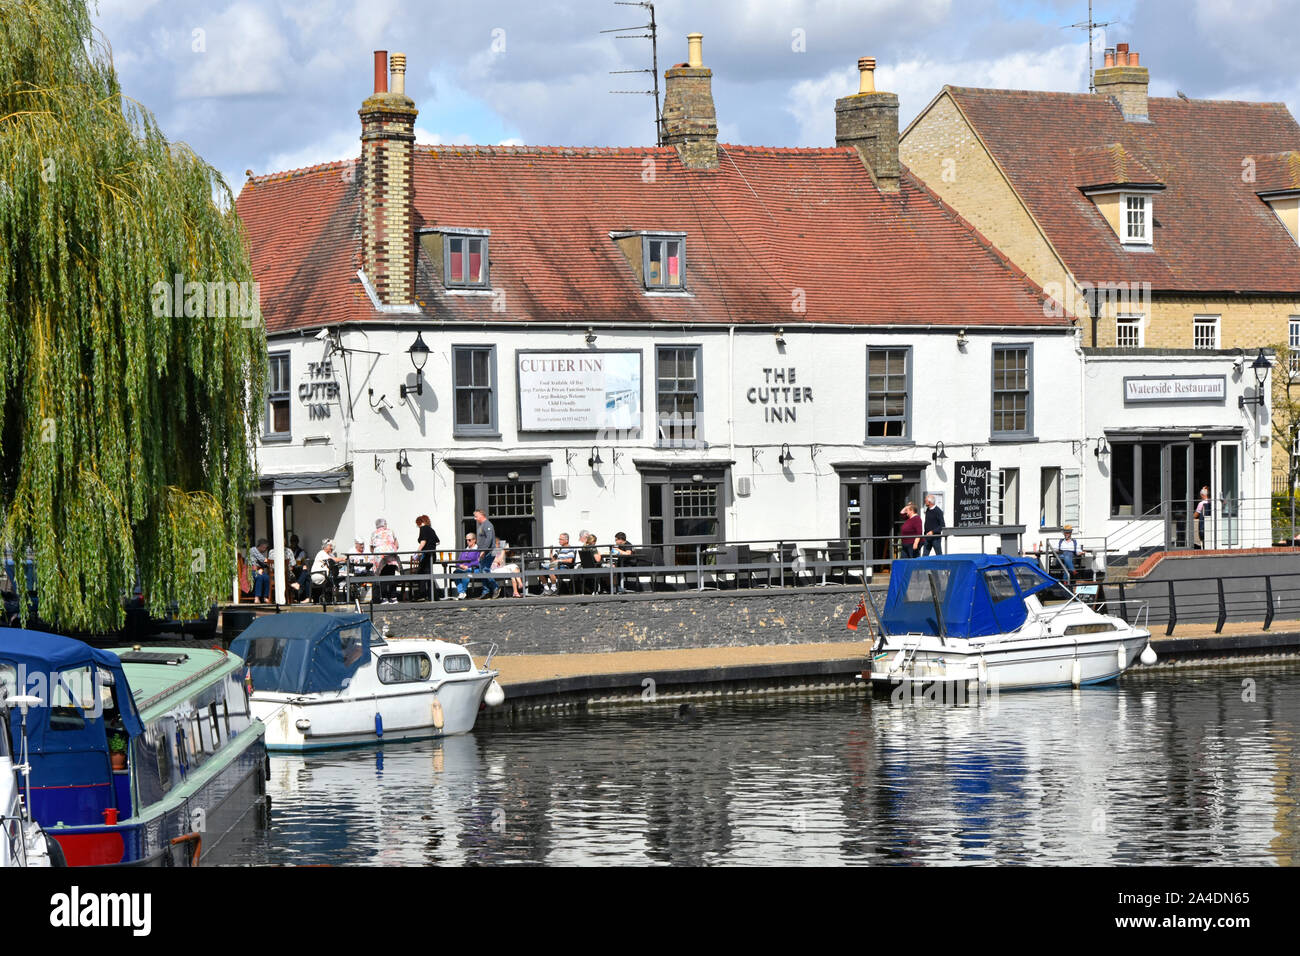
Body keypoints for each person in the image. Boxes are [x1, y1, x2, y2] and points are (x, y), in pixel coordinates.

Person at [299, 539, 343, 604]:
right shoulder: (321, 553)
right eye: (330, 546)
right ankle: (333, 598)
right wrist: (343, 559)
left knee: (338, 578)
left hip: (325, 575)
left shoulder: (330, 554)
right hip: (318, 575)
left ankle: (333, 597)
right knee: (334, 579)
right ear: (325, 546)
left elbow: (334, 562)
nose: (331, 547)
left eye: (332, 546)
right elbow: (333, 560)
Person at [370, 518, 401, 604]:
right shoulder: (391, 531)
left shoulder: (374, 533)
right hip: (390, 555)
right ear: (384, 524)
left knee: (382, 577)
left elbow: (371, 548)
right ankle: (393, 597)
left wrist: (376, 554)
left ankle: (384, 598)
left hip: (380, 558)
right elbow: (397, 545)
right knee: (391, 575)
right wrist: (392, 549)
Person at [413, 515, 441, 601]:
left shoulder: (423, 528)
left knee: (421, 574)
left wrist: (417, 552)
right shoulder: (431, 529)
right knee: (428, 575)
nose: (417, 526)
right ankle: (433, 596)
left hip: (426, 555)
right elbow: (438, 541)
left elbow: (423, 541)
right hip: (432, 555)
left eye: (417, 524)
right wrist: (430, 546)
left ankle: (422, 595)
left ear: (420, 522)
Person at [472, 509, 499, 599]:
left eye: (476, 516)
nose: (475, 518)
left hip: (489, 552)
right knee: (481, 571)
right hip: (483, 552)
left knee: (485, 570)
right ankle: (486, 591)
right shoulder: (482, 525)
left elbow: (489, 539)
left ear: (481, 515)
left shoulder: (488, 525)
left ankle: (495, 587)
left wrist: (483, 551)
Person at [454, 533, 482, 599]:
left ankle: (463, 592)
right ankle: (461, 592)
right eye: (466, 540)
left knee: (466, 573)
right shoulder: (465, 550)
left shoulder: (478, 550)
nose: (467, 542)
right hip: (464, 569)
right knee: (455, 573)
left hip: (474, 569)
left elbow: (478, 562)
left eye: (469, 540)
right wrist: (460, 565)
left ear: (474, 540)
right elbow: (458, 562)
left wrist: (468, 566)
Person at [247, 539, 271, 603]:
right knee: (259, 577)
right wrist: (269, 561)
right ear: (261, 546)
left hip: (257, 570)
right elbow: (263, 560)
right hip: (250, 571)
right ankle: (257, 598)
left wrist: (261, 568)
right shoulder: (253, 550)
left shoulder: (259, 553)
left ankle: (265, 597)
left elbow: (264, 564)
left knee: (266, 577)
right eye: (264, 548)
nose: (265, 550)